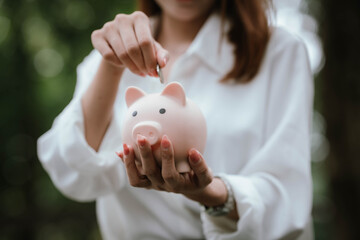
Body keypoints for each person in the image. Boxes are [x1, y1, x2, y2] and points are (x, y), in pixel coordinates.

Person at [37, 0, 314, 239]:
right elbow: (73, 173)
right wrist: (110, 67)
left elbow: (288, 197)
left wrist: (213, 194)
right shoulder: (108, 58)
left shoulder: (279, 52)